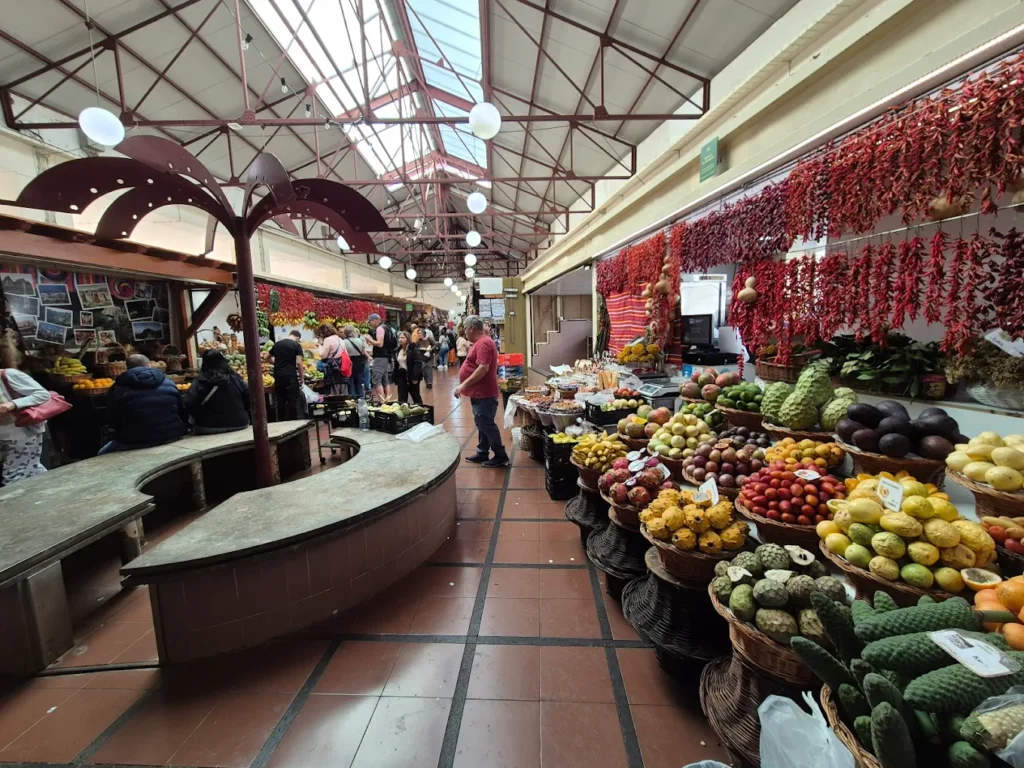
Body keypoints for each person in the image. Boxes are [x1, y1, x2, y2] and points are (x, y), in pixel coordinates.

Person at [100, 354, 186, 454]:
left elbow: (112, 419)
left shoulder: (117, 388)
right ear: (149, 365)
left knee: (101, 454)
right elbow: (181, 411)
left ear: (127, 368)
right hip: (172, 434)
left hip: (135, 440)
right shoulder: (169, 383)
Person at [455, 315, 507, 467]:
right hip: (479, 392)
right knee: (481, 422)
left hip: (484, 392)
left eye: (465, 328)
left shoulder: (484, 343)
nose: (465, 332)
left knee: (486, 423)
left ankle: (500, 455)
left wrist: (463, 385)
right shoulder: (480, 342)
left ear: (471, 328)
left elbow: (483, 368)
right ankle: (482, 452)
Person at [0, 341, 52, 484]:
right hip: (4, 436)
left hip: (22, 433)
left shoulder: (9, 375)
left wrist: (12, 404)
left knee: (13, 476)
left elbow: (43, 394)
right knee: (32, 469)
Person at [184, 350, 250, 434]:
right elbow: (249, 396)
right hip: (240, 423)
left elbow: (189, 403)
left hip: (208, 426)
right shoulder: (235, 378)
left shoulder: (200, 381)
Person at [270, 329, 304, 420]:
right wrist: (301, 377)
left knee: (280, 400)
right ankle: (294, 423)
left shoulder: (277, 344)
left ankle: (281, 422)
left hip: (278, 375)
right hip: (290, 376)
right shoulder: (296, 345)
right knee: (292, 401)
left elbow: (267, 357)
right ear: (297, 337)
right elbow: (299, 363)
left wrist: (275, 363)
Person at [367, 313, 398, 400]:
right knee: (385, 379)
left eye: (370, 322)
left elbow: (380, 344)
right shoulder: (387, 327)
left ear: (375, 321)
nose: (369, 324)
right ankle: (387, 399)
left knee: (376, 380)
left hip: (380, 356)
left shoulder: (380, 328)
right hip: (386, 356)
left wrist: (369, 339)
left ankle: (381, 401)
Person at [317, 324, 351, 397]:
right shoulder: (340, 339)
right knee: (343, 394)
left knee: (333, 395)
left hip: (333, 370)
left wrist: (319, 345)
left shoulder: (328, 339)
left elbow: (323, 355)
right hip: (342, 369)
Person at [394, 330, 424, 405]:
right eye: (399, 338)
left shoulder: (413, 349)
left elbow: (418, 363)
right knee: (402, 397)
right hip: (401, 376)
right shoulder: (398, 350)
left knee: (415, 396)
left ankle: (420, 411)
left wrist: (415, 377)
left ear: (407, 339)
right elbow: (397, 364)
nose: (400, 339)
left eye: (403, 338)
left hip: (412, 375)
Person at [340, 324, 367, 398]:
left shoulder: (343, 342)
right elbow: (363, 352)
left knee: (351, 383)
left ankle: (353, 400)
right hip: (359, 363)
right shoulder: (360, 340)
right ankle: (361, 399)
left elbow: (342, 353)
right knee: (359, 383)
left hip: (349, 363)